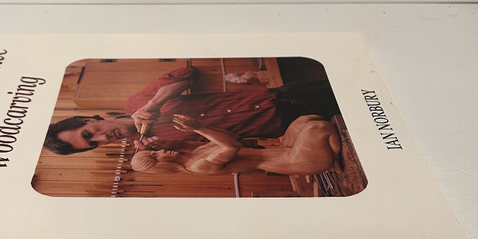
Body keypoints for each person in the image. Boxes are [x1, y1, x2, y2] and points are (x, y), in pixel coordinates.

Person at [43, 66, 338, 155]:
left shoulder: (136, 103)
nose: (102, 139)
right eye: (93, 144)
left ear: (88, 119)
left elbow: (186, 74)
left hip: (285, 95)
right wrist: (174, 147)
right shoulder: (152, 146)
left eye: (89, 133)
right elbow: (233, 148)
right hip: (293, 126)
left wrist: (153, 104)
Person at [130, 114, 341, 177]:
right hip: (292, 161)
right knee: (318, 128)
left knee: (306, 120)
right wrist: (198, 128)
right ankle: (334, 158)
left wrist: (201, 128)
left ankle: (330, 157)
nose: (160, 152)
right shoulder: (197, 166)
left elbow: (232, 138)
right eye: (156, 157)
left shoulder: (195, 153)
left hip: (283, 150)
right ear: (161, 166)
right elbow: (231, 148)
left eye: (154, 152)